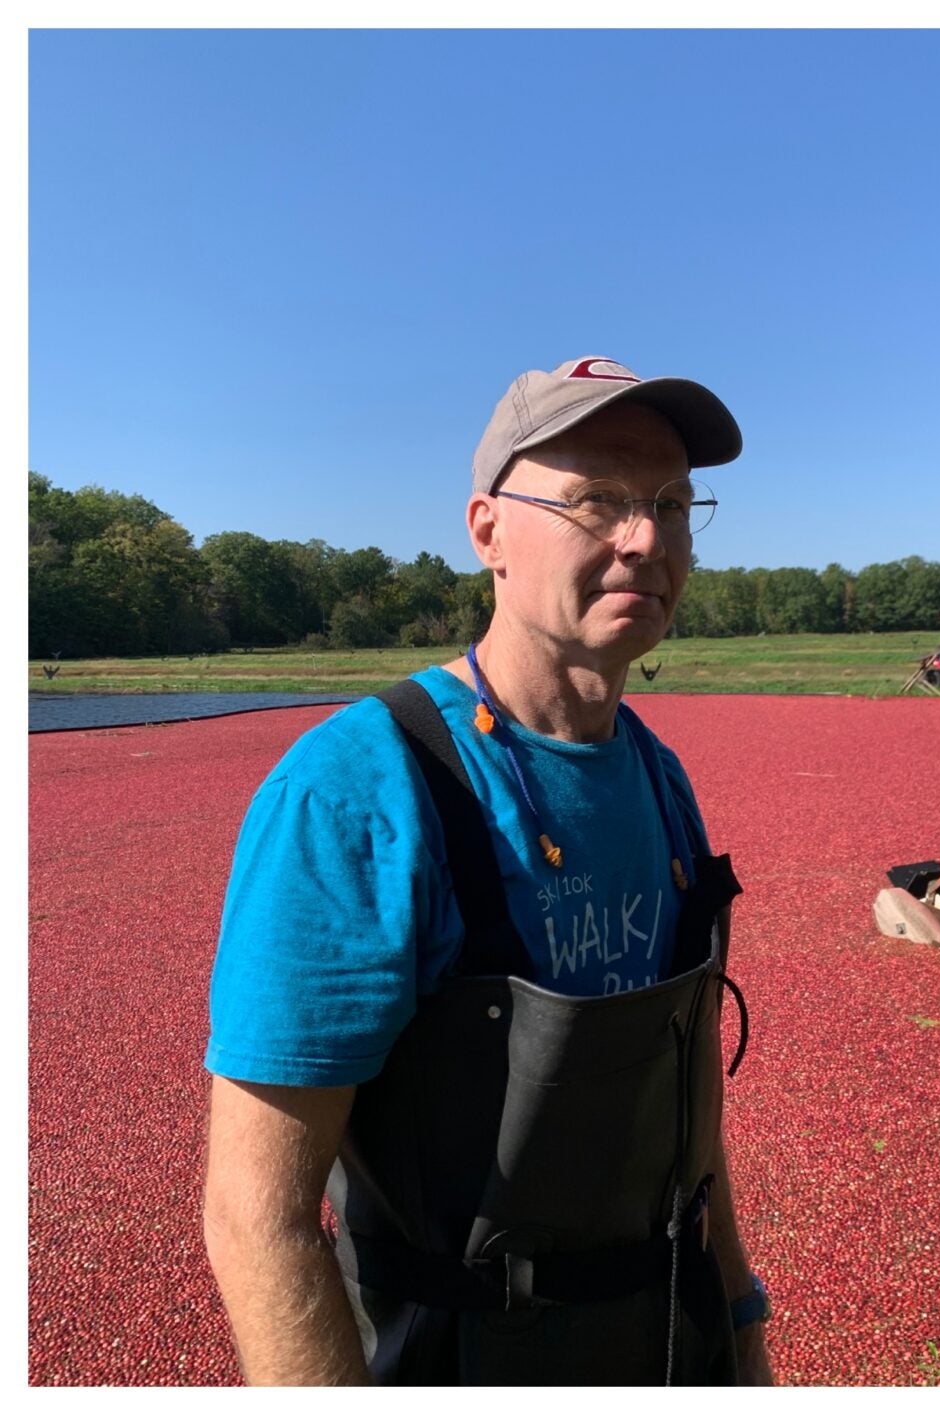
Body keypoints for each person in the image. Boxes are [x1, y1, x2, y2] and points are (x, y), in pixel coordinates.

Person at [199, 357, 775, 1385]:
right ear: (487, 530)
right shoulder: (360, 793)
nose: (644, 537)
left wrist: (741, 1322)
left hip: (672, 1349)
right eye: (598, 497)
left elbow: (689, 1130)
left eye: (674, 503)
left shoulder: (660, 779)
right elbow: (259, 1213)